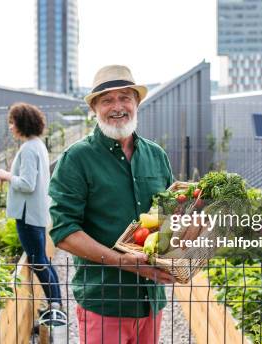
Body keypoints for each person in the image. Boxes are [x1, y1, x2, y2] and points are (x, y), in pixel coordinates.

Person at [48, 65, 176, 343]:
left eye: (125, 97)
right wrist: (124, 262)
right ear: (94, 107)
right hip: (104, 301)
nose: (117, 106)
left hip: (151, 301)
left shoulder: (156, 156)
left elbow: (171, 217)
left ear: (137, 102)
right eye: (107, 100)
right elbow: (64, 232)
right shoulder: (78, 158)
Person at [0, 103, 63, 310]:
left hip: (27, 215)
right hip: (37, 212)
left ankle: (55, 306)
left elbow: (27, 184)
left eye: (12, 122)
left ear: (21, 123)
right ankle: (56, 303)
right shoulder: (38, 145)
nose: (10, 127)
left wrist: (6, 175)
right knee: (42, 260)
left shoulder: (28, 149)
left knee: (38, 262)